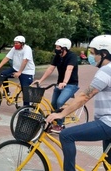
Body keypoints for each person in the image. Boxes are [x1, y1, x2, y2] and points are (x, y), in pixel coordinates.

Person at [46, 35, 111, 171]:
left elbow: (84, 96)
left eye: (93, 53)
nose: (91, 56)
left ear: (104, 54)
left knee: (66, 135)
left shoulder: (106, 70)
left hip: (108, 123)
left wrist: (61, 114)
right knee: (108, 163)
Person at [33, 38, 79, 133]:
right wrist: (40, 80)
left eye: (58, 47)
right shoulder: (58, 56)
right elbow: (50, 69)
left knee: (59, 102)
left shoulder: (72, 56)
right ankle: (54, 123)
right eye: (56, 47)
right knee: (53, 103)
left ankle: (60, 125)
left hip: (71, 84)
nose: (56, 48)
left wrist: (65, 82)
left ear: (64, 48)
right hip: (60, 84)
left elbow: (69, 69)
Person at [0, 35, 35, 105]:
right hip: (15, 69)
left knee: (25, 90)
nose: (15, 45)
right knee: (3, 74)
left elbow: (25, 61)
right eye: (14, 43)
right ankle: (7, 92)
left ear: (22, 43)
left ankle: (26, 109)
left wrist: (19, 72)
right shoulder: (14, 49)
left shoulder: (27, 49)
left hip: (27, 72)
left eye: (17, 43)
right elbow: (7, 58)